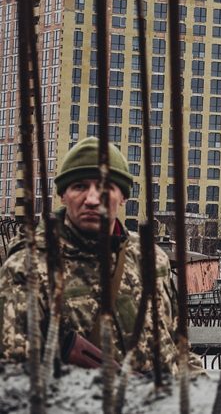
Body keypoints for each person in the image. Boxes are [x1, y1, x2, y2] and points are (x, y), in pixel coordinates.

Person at [0, 137, 202, 375]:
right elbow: (15, 378)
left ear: (124, 197)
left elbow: (181, 351)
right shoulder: (28, 268)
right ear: (63, 195)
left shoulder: (151, 259)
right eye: (79, 187)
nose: (93, 199)